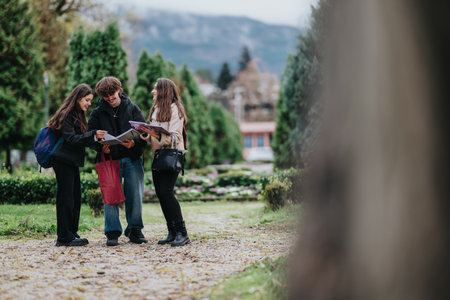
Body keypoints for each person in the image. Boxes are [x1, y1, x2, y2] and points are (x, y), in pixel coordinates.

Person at [88, 76, 148, 246]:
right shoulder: (97, 113)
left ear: (119, 91)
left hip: (132, 158)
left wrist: (134, 142)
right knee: (110, 196)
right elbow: (90, 136)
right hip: (109, 160)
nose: (110, 100)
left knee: (135, 195)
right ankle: (112, 232)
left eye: (112, 96)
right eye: (106, 98)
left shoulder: (133, 109)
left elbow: (144, 132)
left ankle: (135, 230)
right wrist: (100, 147)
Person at [48, 83, 107, 247]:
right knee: (65, 198)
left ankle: (71, 233)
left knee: (74, 197)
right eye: (87, 100)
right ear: (78, 98)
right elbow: (71, 139)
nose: (89, 103)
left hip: (71, 161)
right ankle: (64, 237)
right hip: (62, 161)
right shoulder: (66, 114)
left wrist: (98, 140)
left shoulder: (77, 114)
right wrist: (92, 134)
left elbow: (82, 138)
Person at [140, 78, 190, 247]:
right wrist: (145, 132)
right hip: (158, 156)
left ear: (164, 91)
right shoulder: (155, 110)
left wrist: (157, 135)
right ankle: (172, 231)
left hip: (171, 156)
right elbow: (154, 137)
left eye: (156, 89)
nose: (153, 91)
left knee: (167, 192)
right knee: (161, 194)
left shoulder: (175, 109)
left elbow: (175, 136)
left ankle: (182, 233)